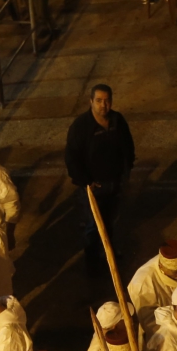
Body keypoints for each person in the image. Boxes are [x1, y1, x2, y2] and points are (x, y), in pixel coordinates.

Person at [64, 84, 135, 275]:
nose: (104, 105)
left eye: (107, 100)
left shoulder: (117, 120)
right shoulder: (80, 127)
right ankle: (93, 264)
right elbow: (72, 158)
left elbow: (128, 146)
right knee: (93, 226)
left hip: (115, 184)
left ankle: (108, 255)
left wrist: (126, 172)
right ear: (91, 102)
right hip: (93, 188)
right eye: (99, 100)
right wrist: (86, 182)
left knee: (111, 221)